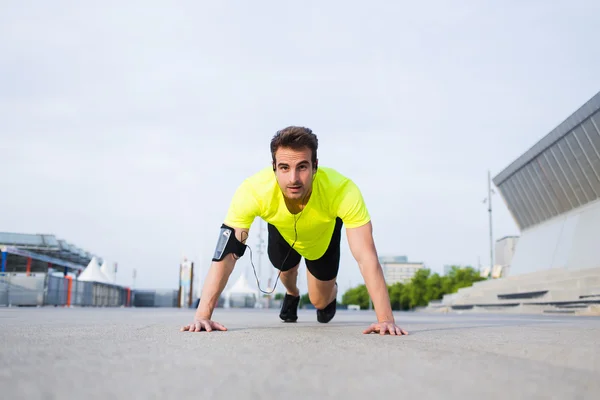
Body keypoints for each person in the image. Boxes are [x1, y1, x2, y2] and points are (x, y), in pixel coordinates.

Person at [181, 126, 408, 336]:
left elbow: (366, 256)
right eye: (284, 168)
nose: (293, 179)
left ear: (315, 166)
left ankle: (331, 292)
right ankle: (292, 294)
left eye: (302, 167)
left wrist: (385, 319)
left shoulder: (342, 190)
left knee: (320, 304)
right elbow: (227, 253)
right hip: (283, 234)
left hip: (321, 241)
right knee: (286, 272)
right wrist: (202, 316)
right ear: (274, 168)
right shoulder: (253, 191)